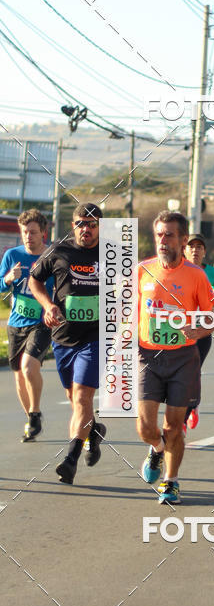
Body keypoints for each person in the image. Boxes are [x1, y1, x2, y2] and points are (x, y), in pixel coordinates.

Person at [137, 210, 214, 504]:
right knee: (145, 427)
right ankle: (156, 448)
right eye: (159, 234)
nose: (163, 240)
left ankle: (171, 482)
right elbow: (130, 310)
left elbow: (211, 318)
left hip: (183, 358)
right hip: (149, 356)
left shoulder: (196, 276)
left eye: (169, 235)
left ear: (183, 240)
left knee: (173, 425)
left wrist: (197, 330)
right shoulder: (142, 270)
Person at [29, 203, 106, 484]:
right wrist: (48, 305)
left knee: (83, 396)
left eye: (92, 224)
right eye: (80, 223)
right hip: (62, 337)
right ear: (73, 225)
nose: (86, 229)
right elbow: (34, 281)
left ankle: (71, 459)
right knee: (75, 400)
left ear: (100, 226)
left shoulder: (112, 255)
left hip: (95, 338)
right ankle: (93, 430)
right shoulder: (57, 251)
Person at [0, 209, 53, 442]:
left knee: (29, 366)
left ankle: (35, 410)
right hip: (15, 323)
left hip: (41, 323)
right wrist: (8, 279)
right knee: (19, 375)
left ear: (43, 232)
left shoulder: (52, 256)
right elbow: (1, 286)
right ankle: (32, 417)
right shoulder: (12, 255)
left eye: (32, 232)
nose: (28, 237)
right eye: (24, 232)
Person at [183, 232, 214, 429]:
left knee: (193, 370)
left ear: (204, 252)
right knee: (180, 373)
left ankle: (191, 407)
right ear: (185, 249)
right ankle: (183, 410)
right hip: (180, 328)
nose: (195, 250)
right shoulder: (179, 269)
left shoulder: (210, 272)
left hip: (202, 329)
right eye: (191, 246)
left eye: (199, 247)